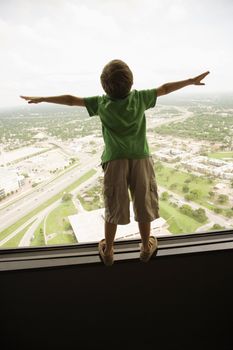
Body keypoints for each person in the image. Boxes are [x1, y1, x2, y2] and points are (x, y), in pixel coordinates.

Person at [20, 60, 209, 266]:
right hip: (141, 159)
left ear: (104, 85)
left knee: (113, 205)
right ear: (130, 82)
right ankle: (146, 247)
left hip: (114, 160)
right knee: (143, 203)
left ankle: (109, 251)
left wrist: (44, 98)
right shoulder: (140, 98)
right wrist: (190, 81)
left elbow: (71, 100)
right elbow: (165, 88)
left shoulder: (101, 103)